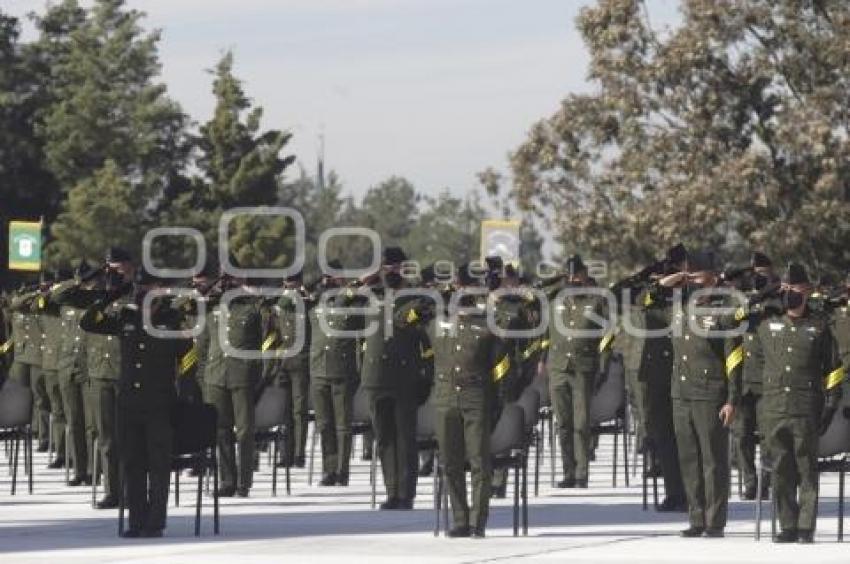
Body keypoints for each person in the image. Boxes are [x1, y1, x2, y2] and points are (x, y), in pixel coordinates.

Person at [80, 267, 190, 538]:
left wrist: (185, 395)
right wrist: (112, 294)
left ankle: (155, 522)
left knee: (159, 464)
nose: (144, 293)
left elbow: (188, 359)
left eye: (150, 288)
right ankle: (136, 520)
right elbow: (88, 322)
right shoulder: (124, 317)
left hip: (160, 404)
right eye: (140, 288)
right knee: (133, 463)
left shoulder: (173, 320)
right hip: (129, 403)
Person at [404, 263, 511, 538]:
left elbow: (504, 365)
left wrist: (496, 401)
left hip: (476, 397)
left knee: (478, 461)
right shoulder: (437, 322)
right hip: (446, 398)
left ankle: (478, 521)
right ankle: (460, 520)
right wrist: (433, 298)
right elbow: (401, 319)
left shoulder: (488, 324)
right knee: (450, 463)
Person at [654, 250, 741, 538]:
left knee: (712, 460)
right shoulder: (680, 306)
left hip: (711, 392)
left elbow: (734, 358)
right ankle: (696, 517)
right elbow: (648, 296)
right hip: (681, 392)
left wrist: (732, 399)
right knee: (689, 458)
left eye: (697, 274)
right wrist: (678, 277)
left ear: (713, 276)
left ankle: (714, 521)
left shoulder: (725, 309)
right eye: (689, 274)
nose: (692, 279)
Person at [757, 263, 843, 544]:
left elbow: (833, 369)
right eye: (786, 288)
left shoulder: (819, 327)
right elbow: (738, 315)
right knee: (781, 470)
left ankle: (806, 527)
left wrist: (831, 405)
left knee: (807, 468)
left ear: (806, 291)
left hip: (806, 407)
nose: (789, 294)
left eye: (795, 289)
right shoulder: (767, 323)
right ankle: (788, 525)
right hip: (774, 407)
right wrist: (769, 291)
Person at [360, 247, 429, 509]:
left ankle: (406, 493)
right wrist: (368, 277)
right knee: (385, 438)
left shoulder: (416, 296)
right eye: (386, 267)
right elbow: (342, 299)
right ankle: (392, 491)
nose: (390, 272)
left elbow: (426, 312)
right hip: (375, 377)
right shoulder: (371, 295)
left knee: (404, 437)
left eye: (394, 267)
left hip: (404, 377)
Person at [540, 254, 612, 488]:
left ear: (584, 274)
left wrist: (603, 365)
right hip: (558, 367)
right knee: (562, 423)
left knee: (581, 422)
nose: (573, 279)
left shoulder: (597, 300)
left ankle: (582, 473)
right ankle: (568, 472)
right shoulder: (554, 299)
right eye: (569, 275)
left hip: (584, 366)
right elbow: (533, 294)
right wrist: (557, 278)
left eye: (576, 274)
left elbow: (607, 335)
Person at [197, 264, 262, 497]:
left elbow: (265, 339)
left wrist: (243, 286)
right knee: (221, 431)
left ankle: (244, 482)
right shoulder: (210, 307)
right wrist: (203, 379)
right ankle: (227, 481)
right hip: (215, 376)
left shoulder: (252, 306)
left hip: (242, 375)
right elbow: (202, 349)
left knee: (245, 431)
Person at [309, 260, 362, 486]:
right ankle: (328, 469)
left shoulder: (353, 304)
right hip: (318, 369)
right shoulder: (315, 303)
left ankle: (342, 471)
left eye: (334, 277)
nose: (329, 281)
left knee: (342, 425)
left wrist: (348, 289)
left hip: (343, 370)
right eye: (326, 277)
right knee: (324, 424)